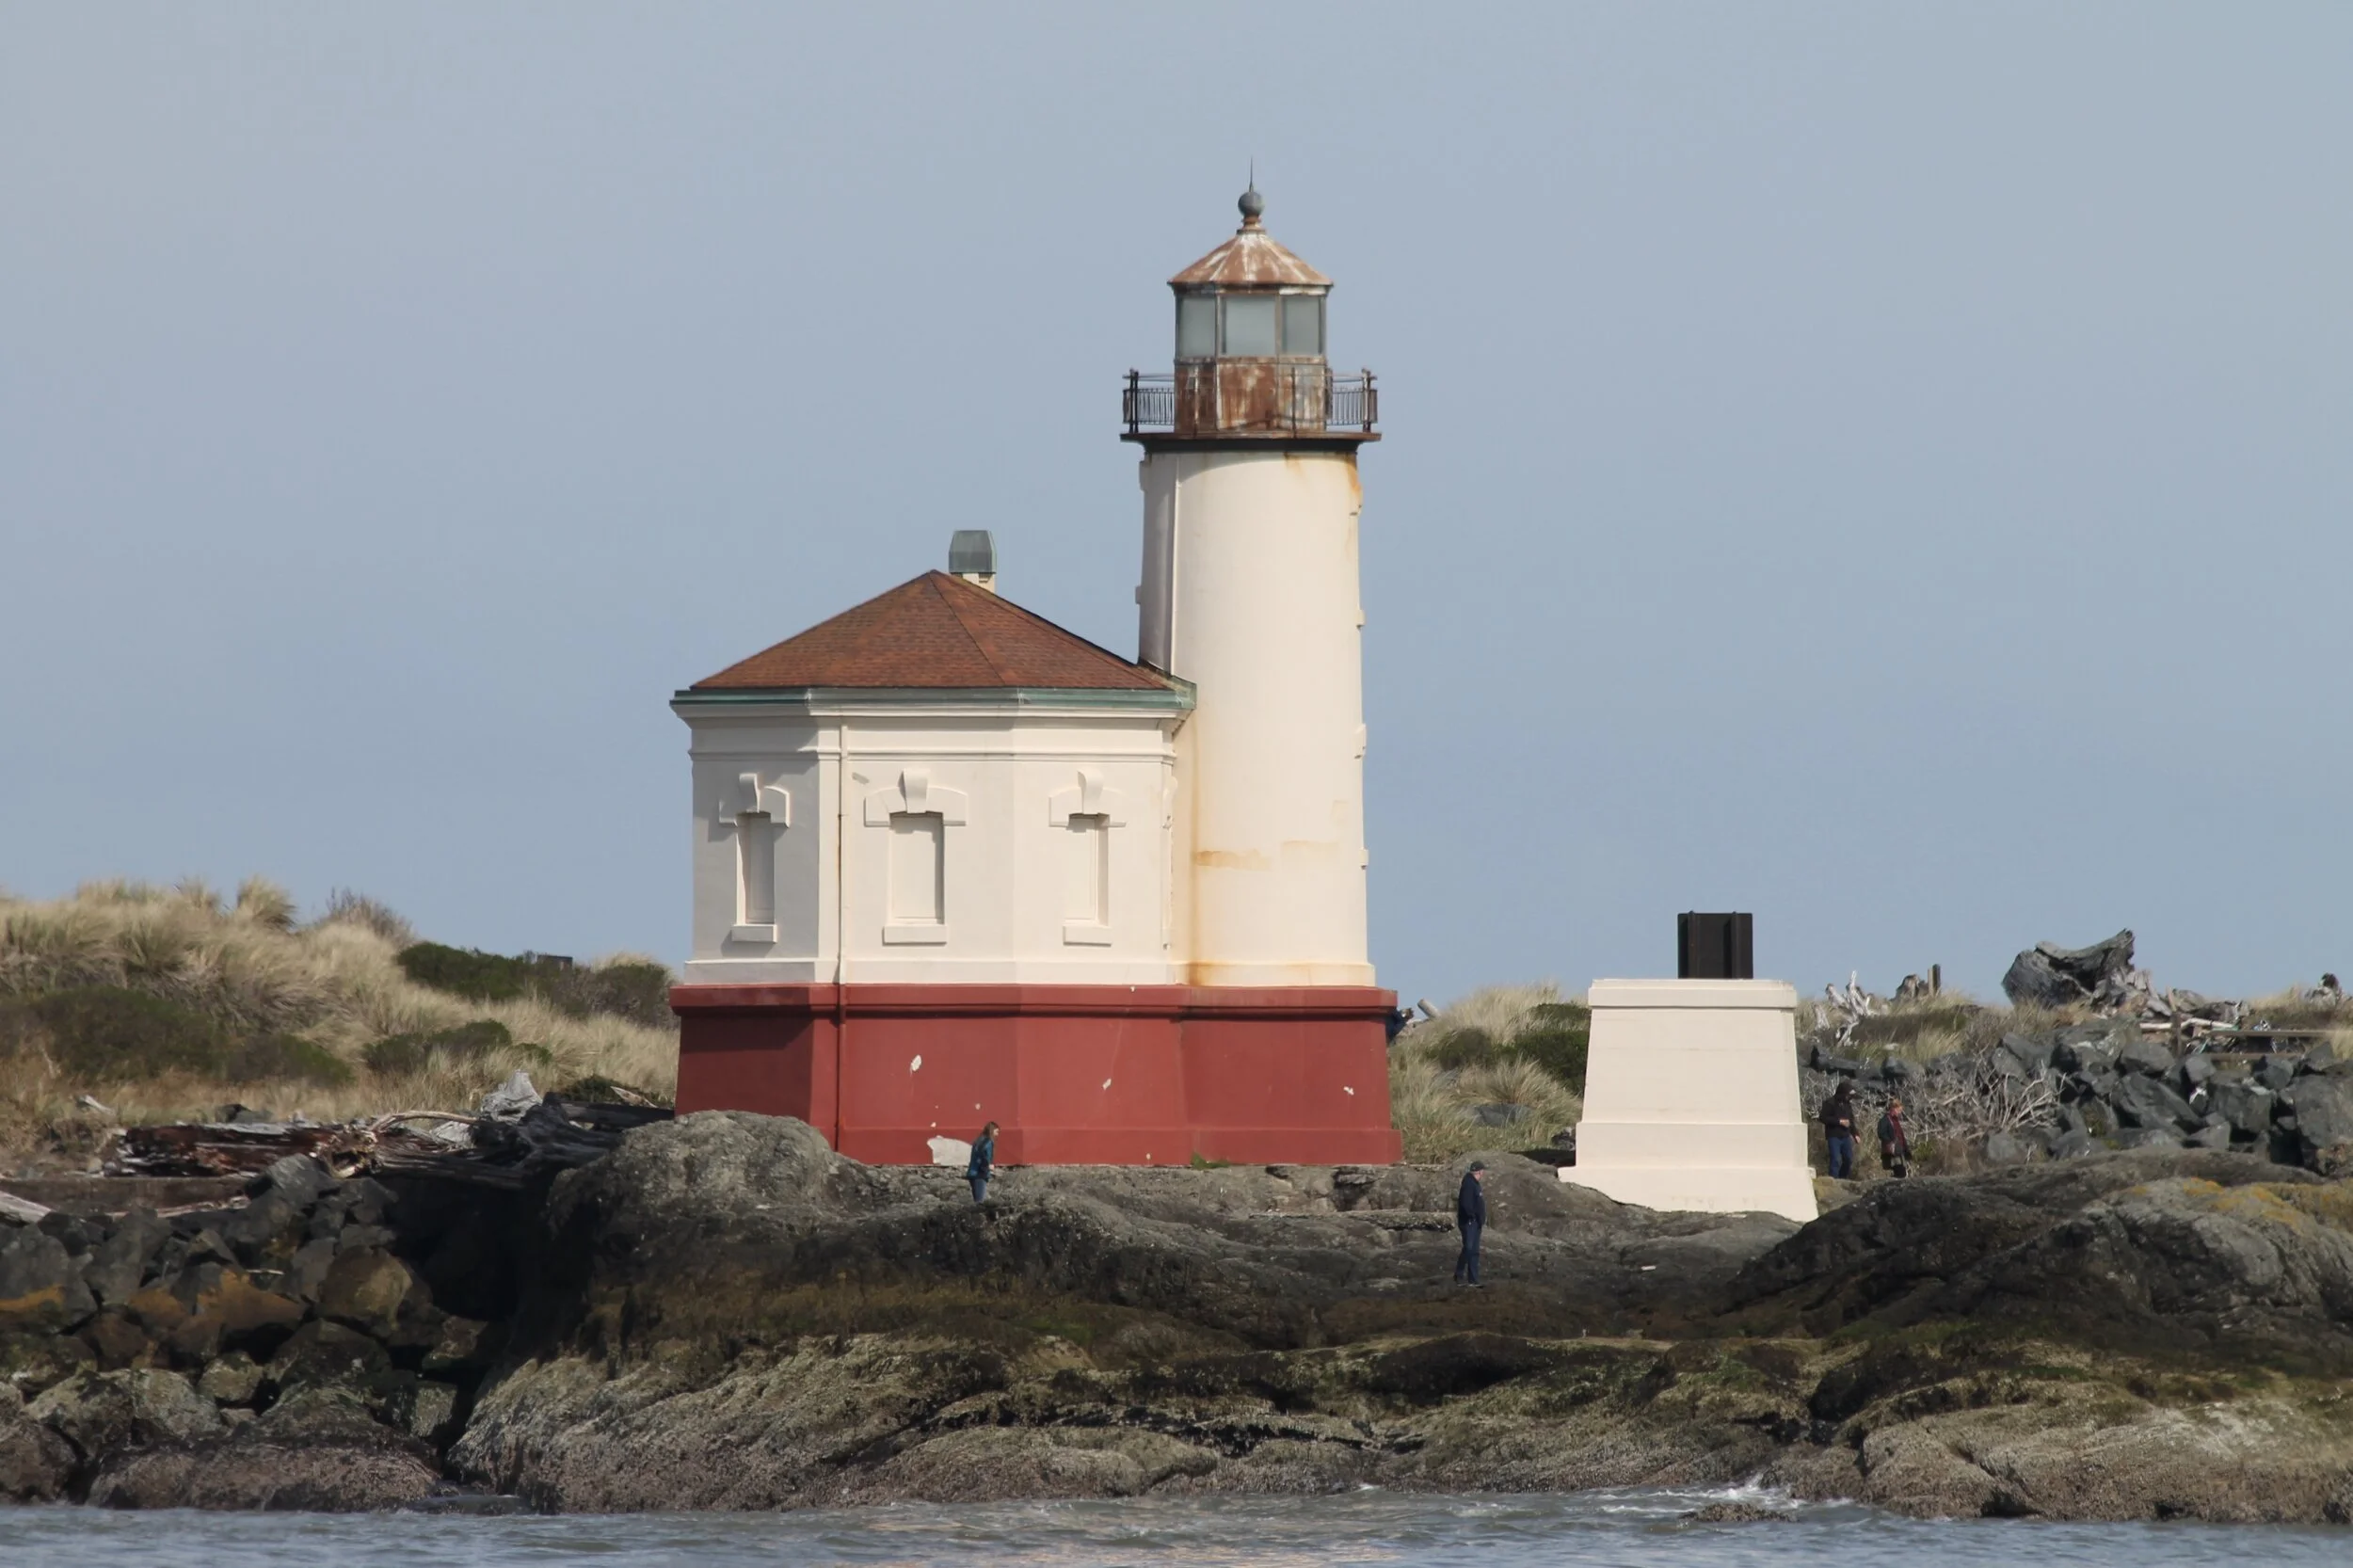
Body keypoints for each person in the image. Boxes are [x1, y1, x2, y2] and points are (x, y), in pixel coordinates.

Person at [1452, 1160, 1487, 1286]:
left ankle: (1473, 1279)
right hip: (1469, 1222)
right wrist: (1472, 1216)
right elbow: (1466, 1203)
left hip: (1476, 1222)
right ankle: (1459, 1274)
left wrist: (1480, 1219)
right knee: (1468, 1248)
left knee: (1474, 1251)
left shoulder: (1475, 1184)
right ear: (1479, 1171)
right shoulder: (1469, 1184)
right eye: (1482, 1171)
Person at [1821, 1083, 1859, 1180]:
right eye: (1848, 1095)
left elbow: (1851, 1121)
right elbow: (1823, 1118)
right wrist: (1839, 1122)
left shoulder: (1847, 1105)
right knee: (1836, 1160)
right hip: (1834, 1136)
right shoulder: (1830, 1103)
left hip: (1845, 1136)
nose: (1849, 1098)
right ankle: (1833, 1180)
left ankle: (1842, 1179)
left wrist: (1855, 1134)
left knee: (1848, 1159)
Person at [1878, 1096, 1912, 1179]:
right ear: (1893, 1108)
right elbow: (1881, 1133)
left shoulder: (1895, 1120)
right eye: (1898, 1110)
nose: (1899, 1113)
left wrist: (1906, 1149)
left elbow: (1901, 1135)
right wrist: (1891, 1141)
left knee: (1901, 1172)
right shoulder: (1885, 1120)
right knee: (1900, 1172)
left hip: (1899, 1150)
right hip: (1893, 1151)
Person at [966, 1120, 999, 1203]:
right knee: (980, 1201)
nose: (997, 1134)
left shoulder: (979, 1140)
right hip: (979, 1173)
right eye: (996, 1131)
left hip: (973, 1172)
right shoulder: (988, 1142)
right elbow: (983, 1154)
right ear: (991, 1130)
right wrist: (988, 1165)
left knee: (976, 1200)